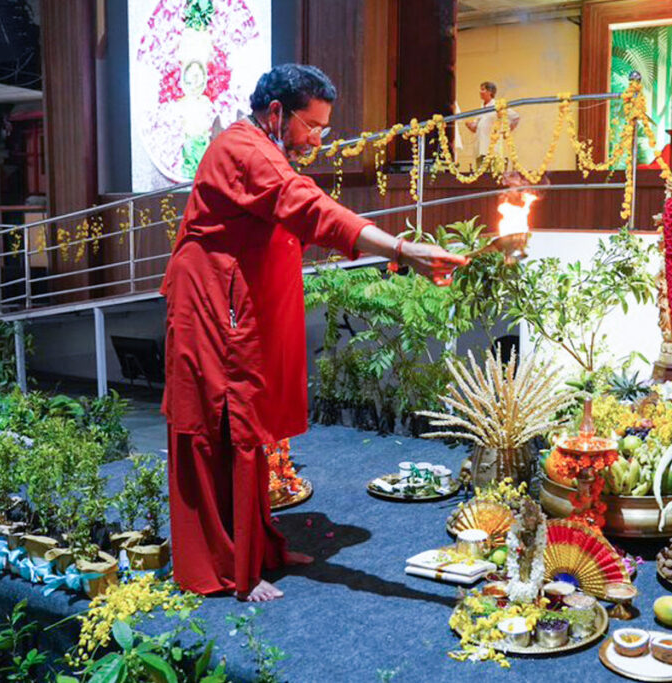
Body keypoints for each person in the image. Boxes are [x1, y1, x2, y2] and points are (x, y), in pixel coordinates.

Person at [161, 64, 466, 602]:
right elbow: (310, 208)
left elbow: (301, 211)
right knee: (219, 426)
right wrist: (401, 249)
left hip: (236, 303)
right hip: (210, 306)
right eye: (313, 126)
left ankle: (255, 547)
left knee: (247, 425)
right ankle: (226, 566)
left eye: (325, 129)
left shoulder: (266, 150)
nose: (318, 140)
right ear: (276, 112)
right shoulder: (244, 149)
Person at [466, 81, 519, 169]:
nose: (480, 92)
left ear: (490, 92)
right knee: (481, 179)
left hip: (493, 150)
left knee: (495, 177)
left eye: (483, 89)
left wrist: (507, 132)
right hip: (480, 149)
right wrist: (470, 125)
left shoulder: (498, 105)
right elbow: (475, 127)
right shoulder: (481, 107)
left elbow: (516, 117)